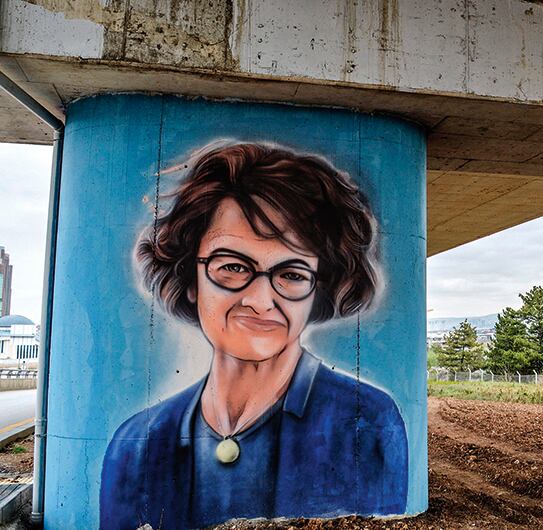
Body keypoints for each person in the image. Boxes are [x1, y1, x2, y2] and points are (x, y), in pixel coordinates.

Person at [100, 143, 408, 529]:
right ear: (190, 277)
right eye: (232, 266)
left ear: (318, 291)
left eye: (292, 274)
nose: (261, 301)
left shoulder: (365, 425)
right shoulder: (136, 444)